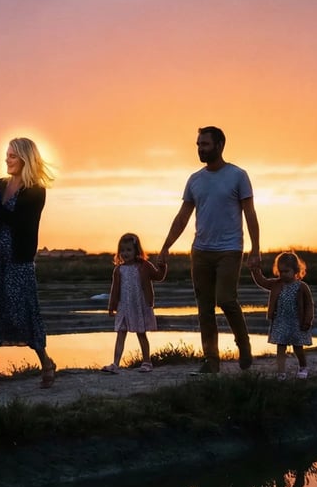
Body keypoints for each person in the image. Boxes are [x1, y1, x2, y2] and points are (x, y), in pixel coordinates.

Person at [159, 126, 260, 374]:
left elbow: (250, 214)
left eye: (204, 144)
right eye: (198, 145)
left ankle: (243, 344)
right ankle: (211, 360)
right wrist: (165, 247)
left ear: (220, 145)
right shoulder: (195, 180)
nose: (200, 149)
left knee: (226, 299)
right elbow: (182, 216)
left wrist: (256, 249)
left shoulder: (238, 175)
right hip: (201, 251)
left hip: (230, 249)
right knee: (204, 308)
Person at [0, 137, 57, 392]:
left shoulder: (35, 190)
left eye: (12, 156)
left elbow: (18, 221)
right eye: (6, 155)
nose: (6, 159)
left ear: (26, 159)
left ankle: (46, 363)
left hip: (18, 260)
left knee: (23, 313)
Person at [101, 233, 167, 374]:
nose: (125, 253)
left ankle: (147, 362)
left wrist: (162, 266)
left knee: (141, 333)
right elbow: (115, 290)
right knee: (120, 333)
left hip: (139, 305)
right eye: (123, 250)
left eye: (129, 250)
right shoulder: (119, 270)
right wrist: (112, 307)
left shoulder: (144, 266)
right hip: (124, 306)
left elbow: (158, 276)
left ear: (136, 250)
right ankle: (115, 364)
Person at [250, 251, 314, 379]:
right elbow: (261, 281)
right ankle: (281, 372)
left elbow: (309, 305)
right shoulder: (276, 284)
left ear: (295, 270)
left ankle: (303, 367)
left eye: (286, 271)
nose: (283, 274)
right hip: (281, 321)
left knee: (298, 348)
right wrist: (255, 269)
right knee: (281, 348)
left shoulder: (302, 287)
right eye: (281, 271)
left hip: (297, 322)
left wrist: (308, 321)